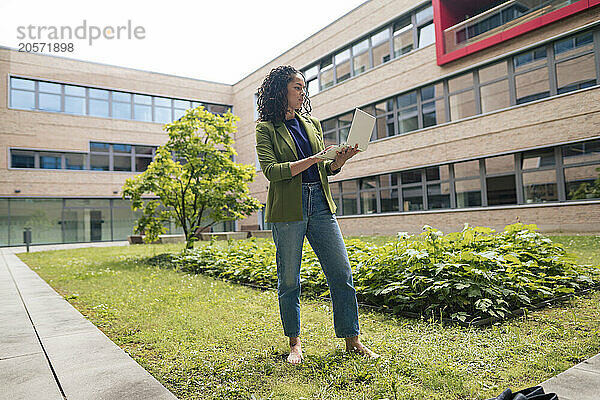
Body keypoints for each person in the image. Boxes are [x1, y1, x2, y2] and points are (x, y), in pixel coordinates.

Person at [255, 65, 379, 364]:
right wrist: (312, 158)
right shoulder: (265, 128)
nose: (302, 92)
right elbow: (272, 172)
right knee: (289, 280)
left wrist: (339, 161)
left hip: (320, 203)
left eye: (303, 87)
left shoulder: (312, 124)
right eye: (297, 86)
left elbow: (326, 169)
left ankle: (352, 340)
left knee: (341, 273)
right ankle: (295, 344)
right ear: (281, 90)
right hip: (288, 208)